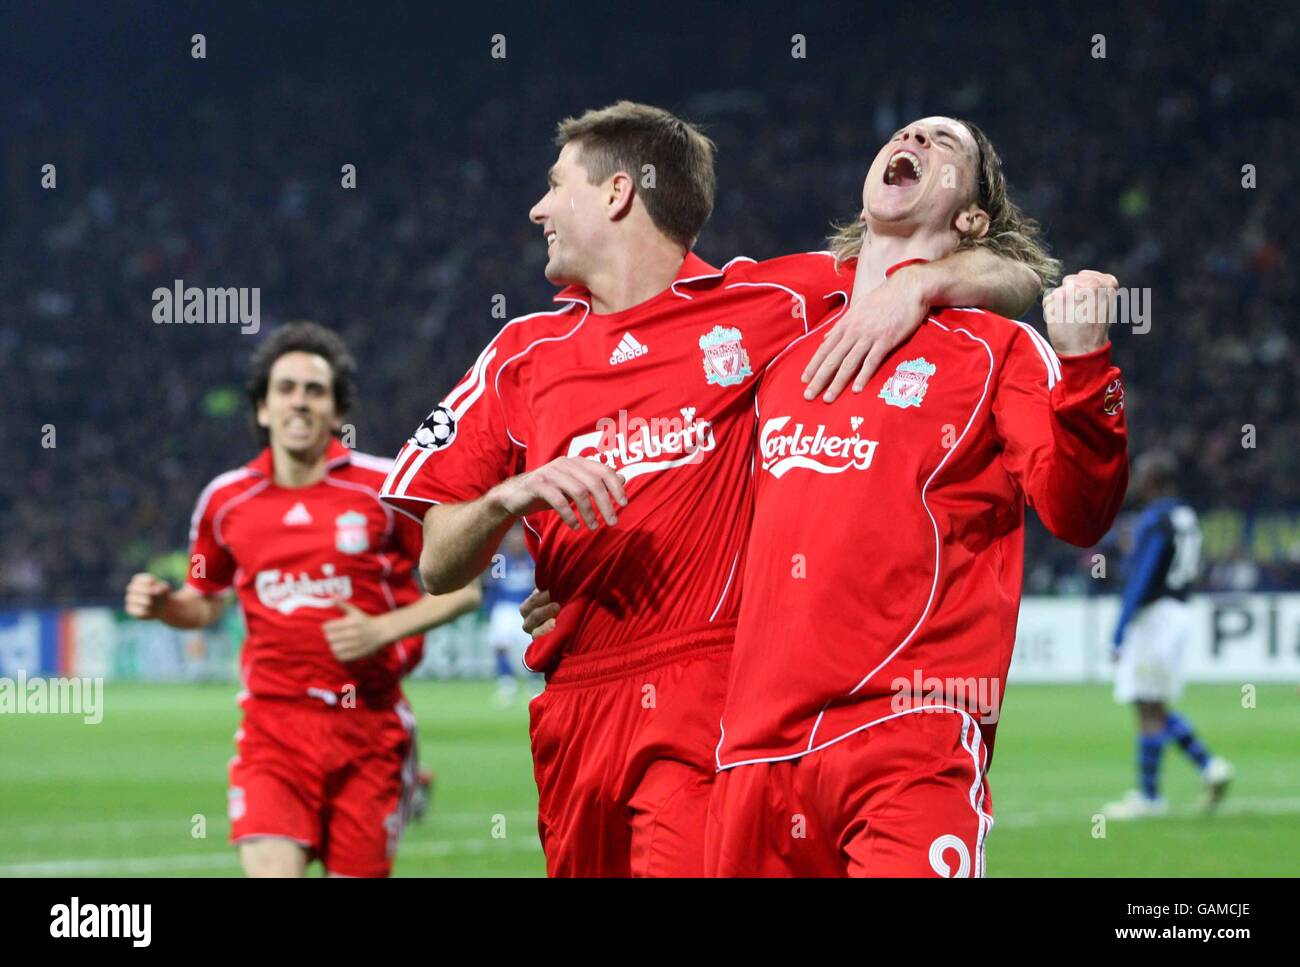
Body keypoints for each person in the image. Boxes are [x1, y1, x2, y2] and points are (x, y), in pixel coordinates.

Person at [381, 102, 1038, 876]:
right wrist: (506, 499)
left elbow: (1015, 272)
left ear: (618, 192)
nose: (538, 207)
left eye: (555, 185)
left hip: (707, 697)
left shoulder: (769, 303)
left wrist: (920, 286)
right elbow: (435, 564)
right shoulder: (520, 355)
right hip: (572, 701)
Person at [704, 117, 1130, 876]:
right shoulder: (786, 346)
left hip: (908, 738)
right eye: (907, 133)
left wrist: (1087, 368)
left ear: (971, 216)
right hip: (752, 754)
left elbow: (1078, 510)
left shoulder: (996, 350)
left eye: (944, 144)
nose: (915, 140)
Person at [124, 322, 480, 877]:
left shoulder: (385, 488)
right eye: (285, 388)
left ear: (338, 412)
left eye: (315, 391)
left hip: (369, 729)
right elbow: (206, 601)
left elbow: (465, 588)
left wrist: (381, 631)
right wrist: (166, 606)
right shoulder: (225, 501)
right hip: (274, 729)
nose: (299, 402)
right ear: (262, 408)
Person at [1102, 450, 1232, 820]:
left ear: (1154, 480)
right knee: (1155, 703)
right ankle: (1209, 766)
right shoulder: (1186, 516)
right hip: (1179, 611)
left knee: (1145, 704)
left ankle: (1149, 797)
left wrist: (1118, 631)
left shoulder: (1156, 519)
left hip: (1154, 616)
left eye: (1141, 476)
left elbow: (1140, 576)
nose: (1137, 483)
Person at [484, 522, 541, 704]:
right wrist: (491, 610)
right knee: (501, 645)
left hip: (525, 606)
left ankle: (534, 682)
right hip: (504, 608)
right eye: (512, 538)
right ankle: (506, 683)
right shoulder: (500, 560)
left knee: (531, 645)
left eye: (519, 538)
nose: (516, 541)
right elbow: (491, 587)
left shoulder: (533, 558)